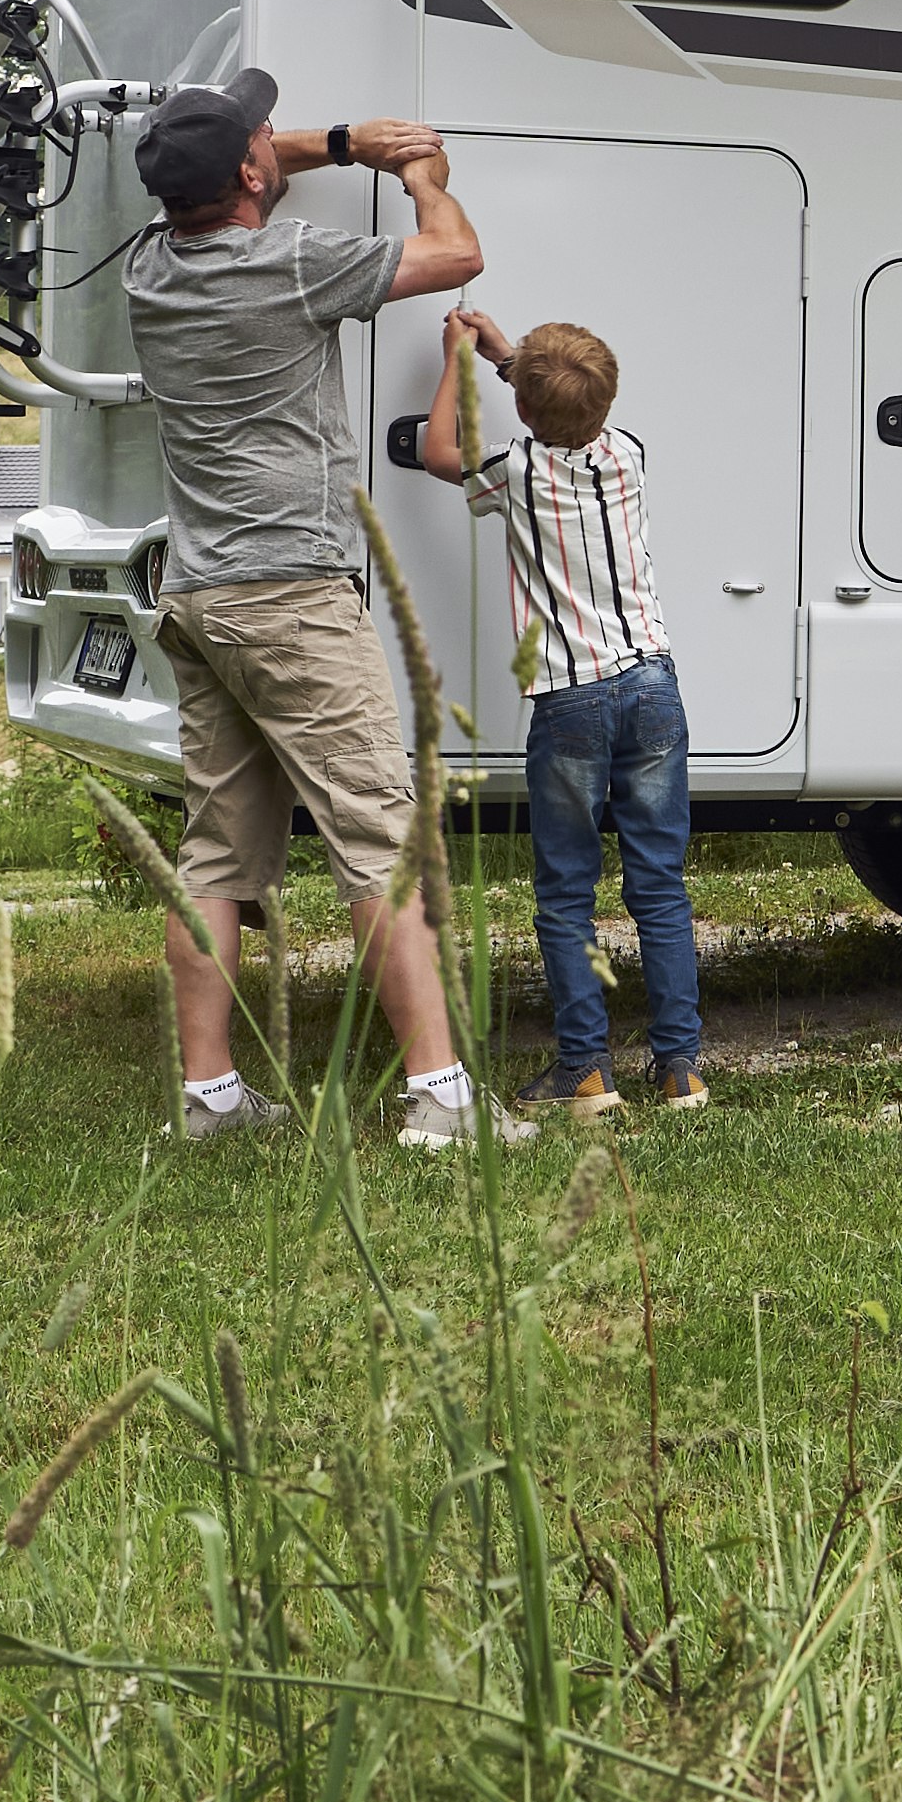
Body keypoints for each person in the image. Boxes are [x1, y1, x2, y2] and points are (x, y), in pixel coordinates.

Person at [115, 69, 530, 1146]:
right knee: (379, 840)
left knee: (213, 854)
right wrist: (423, 175)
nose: (274, 142)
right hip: (296, 596)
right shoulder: (291, 262)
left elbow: (239, 167)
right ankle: (441, 1099)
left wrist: (343, 142)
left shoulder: (153, 266)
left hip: (200, 596)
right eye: (264, 140)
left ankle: (207, 1100)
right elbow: (457, 255)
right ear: (251, 174)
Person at [411, 306, 704, 1115]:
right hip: (654, 686)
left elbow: (439, 451)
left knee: (568, 890)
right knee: (660, 885)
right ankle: (681, 1067)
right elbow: (569, 410)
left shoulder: (517, 471)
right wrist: (515, 361)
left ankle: (585, 1068)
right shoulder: (629, 455)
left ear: (525, 414)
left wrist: (457, 361)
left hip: (573, 697)